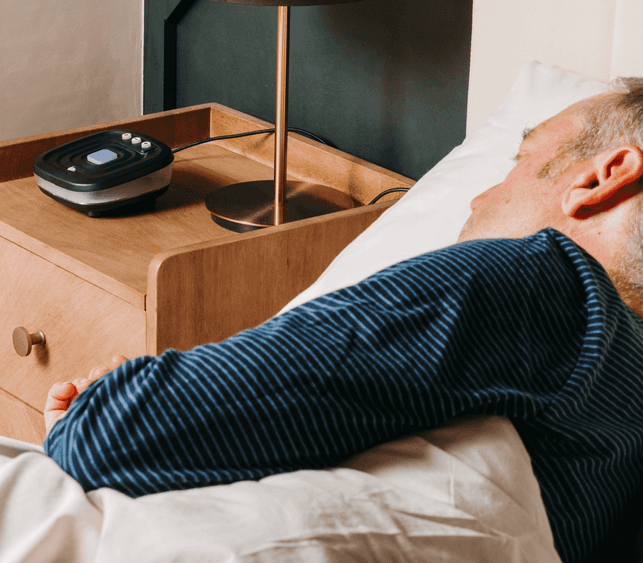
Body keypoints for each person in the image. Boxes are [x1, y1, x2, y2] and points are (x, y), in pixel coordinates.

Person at [43, 80, 643, 563]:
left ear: (603, 177)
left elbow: (107, 440)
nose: (479, 196)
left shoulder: (537, 283)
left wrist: (96, 407)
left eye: (520, 161)